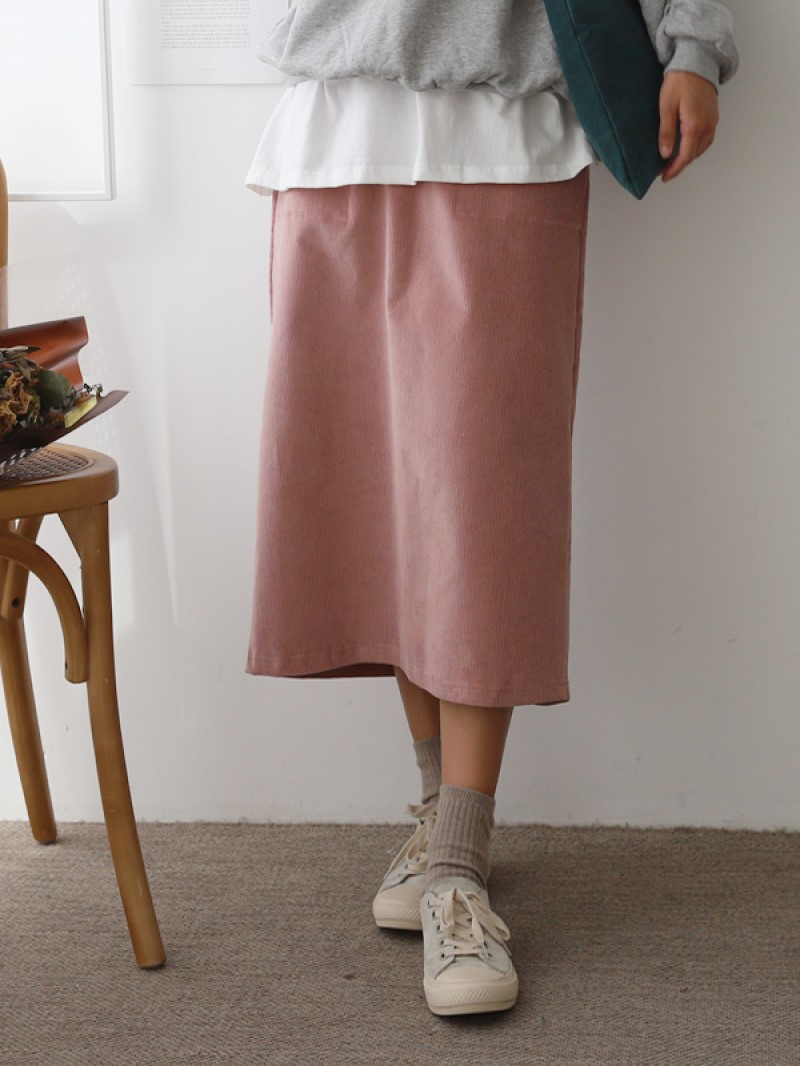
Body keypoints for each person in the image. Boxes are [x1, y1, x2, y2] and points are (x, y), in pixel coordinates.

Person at [245, 0, 740, 1017]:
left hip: (507, 129)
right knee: (380, 505)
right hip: (334, 124)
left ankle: (459, 869)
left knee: (483, 510)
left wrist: (694, 41)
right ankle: (441, 820)